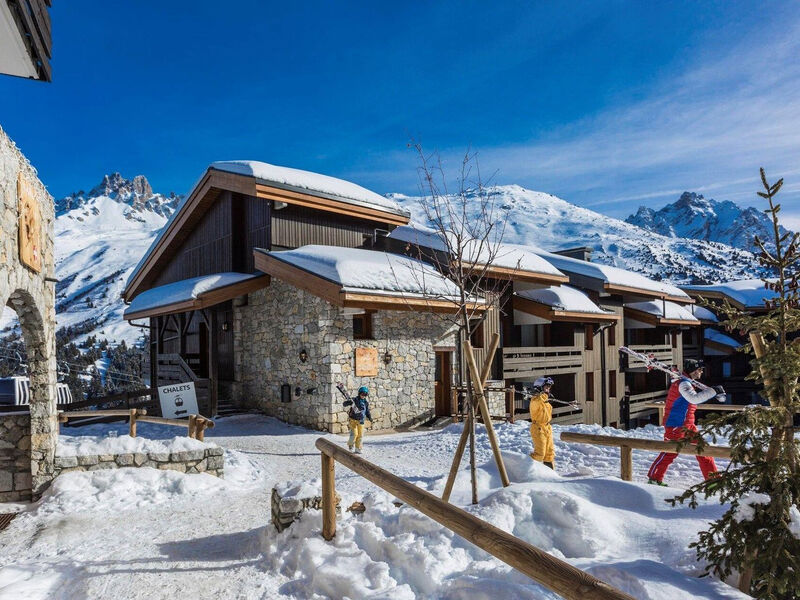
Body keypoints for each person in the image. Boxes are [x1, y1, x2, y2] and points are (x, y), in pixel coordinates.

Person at [647, 359, 726, 486]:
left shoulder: (687, 383)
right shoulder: (683, 384)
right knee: (670, 452)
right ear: (693, 370)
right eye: (700, 369)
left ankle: (713, 480)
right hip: (676, 425)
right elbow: (693, 399)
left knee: (703, 450)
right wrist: (713, 391)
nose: (701, 372)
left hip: (688, 424)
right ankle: (654, 478)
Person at [529, 376, 555, 469]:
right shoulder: (535, 400)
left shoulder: (545, 399)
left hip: (547, 428)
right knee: (540, 453)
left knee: (549, 453)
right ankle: (525, 468)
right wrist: (536, 394)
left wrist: (546, 397)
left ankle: (549, 473)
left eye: (549, 387)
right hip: (538, 428)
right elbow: (536, 403)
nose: (548, 389)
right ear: (539, 387)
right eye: (546, 387)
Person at [343, 385, 372, 454]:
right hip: (353, 420)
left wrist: (369, 417)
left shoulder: (365, 403)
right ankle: (351, 445)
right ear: (359, 393)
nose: (363, 396)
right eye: (362, 394)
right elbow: (344, 404)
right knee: (354, 434)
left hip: (361, 421)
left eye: (365, 394)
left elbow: (367, 411)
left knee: (360, 435)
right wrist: (348, 402)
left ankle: (358, 448)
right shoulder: (355, 400)